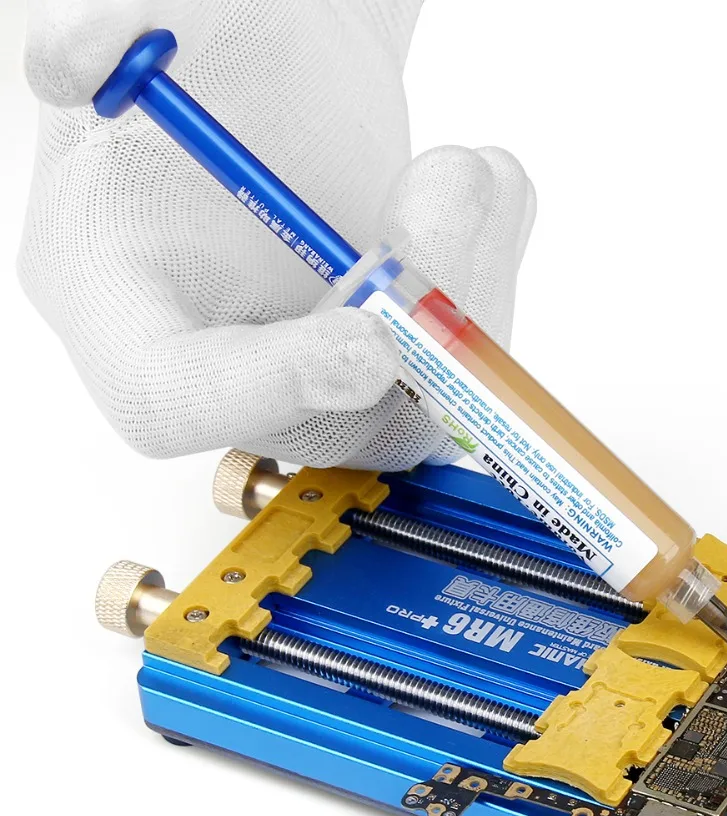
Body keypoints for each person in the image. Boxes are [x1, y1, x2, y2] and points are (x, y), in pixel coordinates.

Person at [18, 0, 535, 470]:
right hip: (345, 376)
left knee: (465, 189)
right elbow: (148, 390)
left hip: (411, 347)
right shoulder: (91, 203)